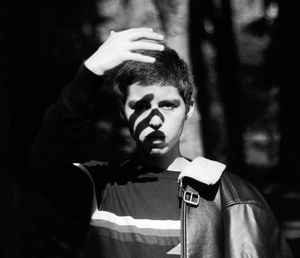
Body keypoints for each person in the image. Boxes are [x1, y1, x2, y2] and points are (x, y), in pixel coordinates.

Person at [28, 28, 293, 257]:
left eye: (167, 105)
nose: (154, 120)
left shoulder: (231, 197)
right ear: (123, 111)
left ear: (188, 109)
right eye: (140, 106)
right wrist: (90, 71)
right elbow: (43, 166)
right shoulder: (100, 188)